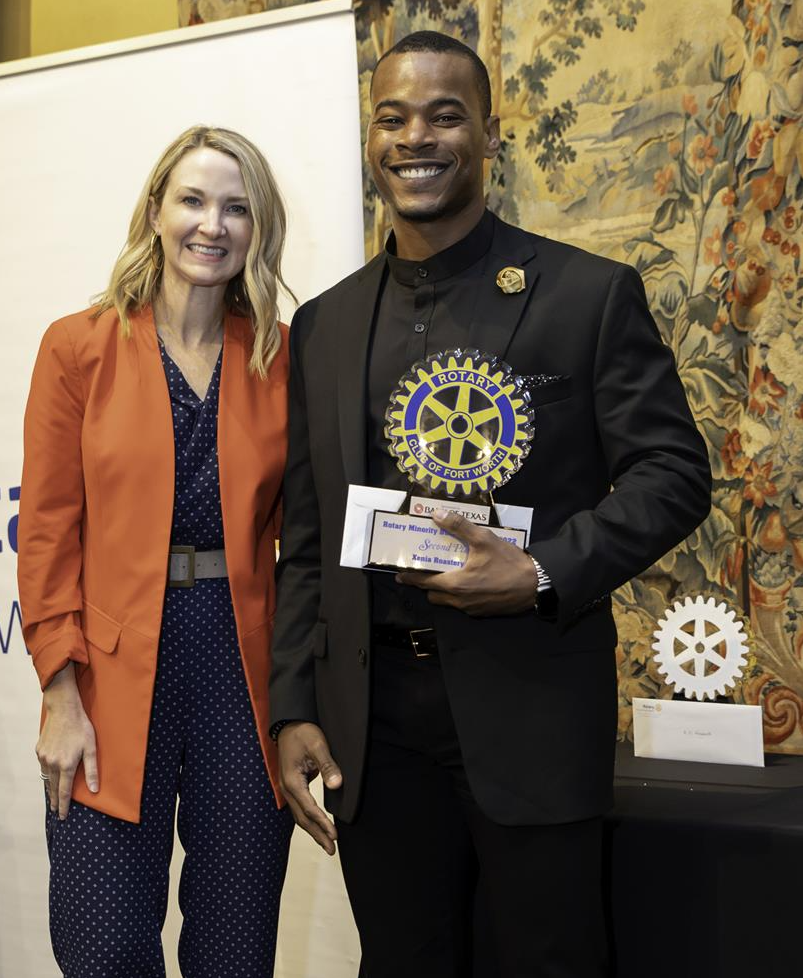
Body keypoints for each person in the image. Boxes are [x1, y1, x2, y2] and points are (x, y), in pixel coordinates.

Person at [269, 30, 711, 978]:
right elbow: (305, 539)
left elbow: (673, 472)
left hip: (531, 710)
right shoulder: (323, 325)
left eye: (443, 114)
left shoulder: (586, 297)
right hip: (373, 729)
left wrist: (544, 567)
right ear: (369, 138)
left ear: (488, 135)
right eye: (390, 117)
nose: (414, 136)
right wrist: (295, 707)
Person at [18, 125, 294, 978]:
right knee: (100, 946)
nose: (212, 224)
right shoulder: (80, 346)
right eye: (194, 199)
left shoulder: (283, 356)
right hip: (107, 668)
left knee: (235, 947)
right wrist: (60, 692)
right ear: (155, 210)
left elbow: (309, 536)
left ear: (259, 228)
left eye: (237, 207)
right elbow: (48, 531)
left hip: (243, 669)